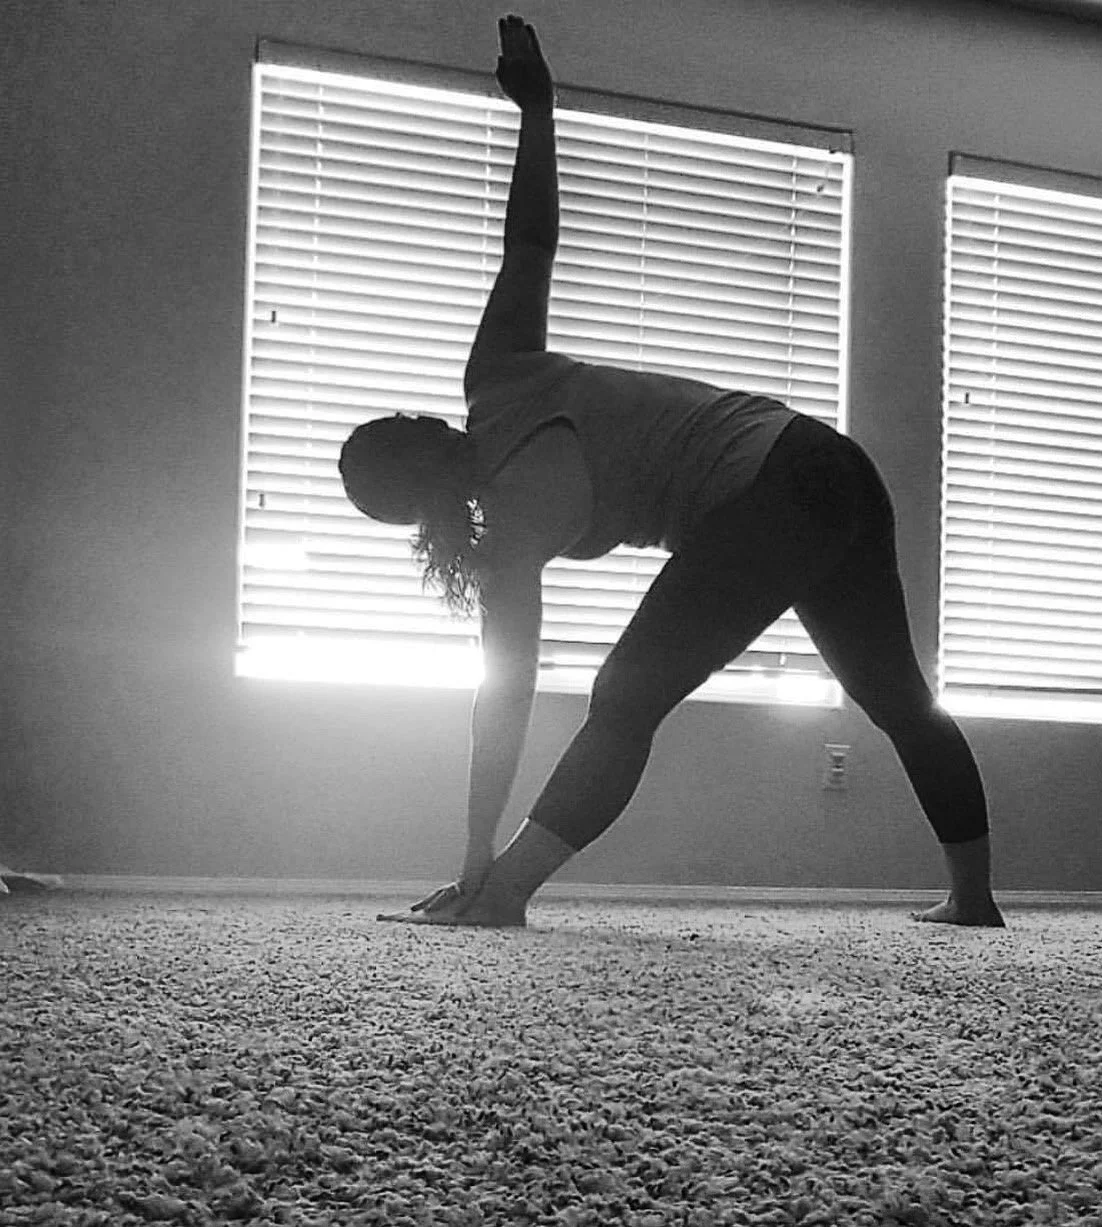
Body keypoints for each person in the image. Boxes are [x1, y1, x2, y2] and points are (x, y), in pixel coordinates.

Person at [338, 14, 1005, 929]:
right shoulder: (500, 483)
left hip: (777, 479)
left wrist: (539, 112)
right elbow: (505, 698)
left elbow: (528, 243)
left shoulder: (500, 405)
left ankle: (505, 896)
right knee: (894, 698)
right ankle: (972, 901)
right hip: (826, 471)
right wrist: (471, 846)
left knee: (627, 694)